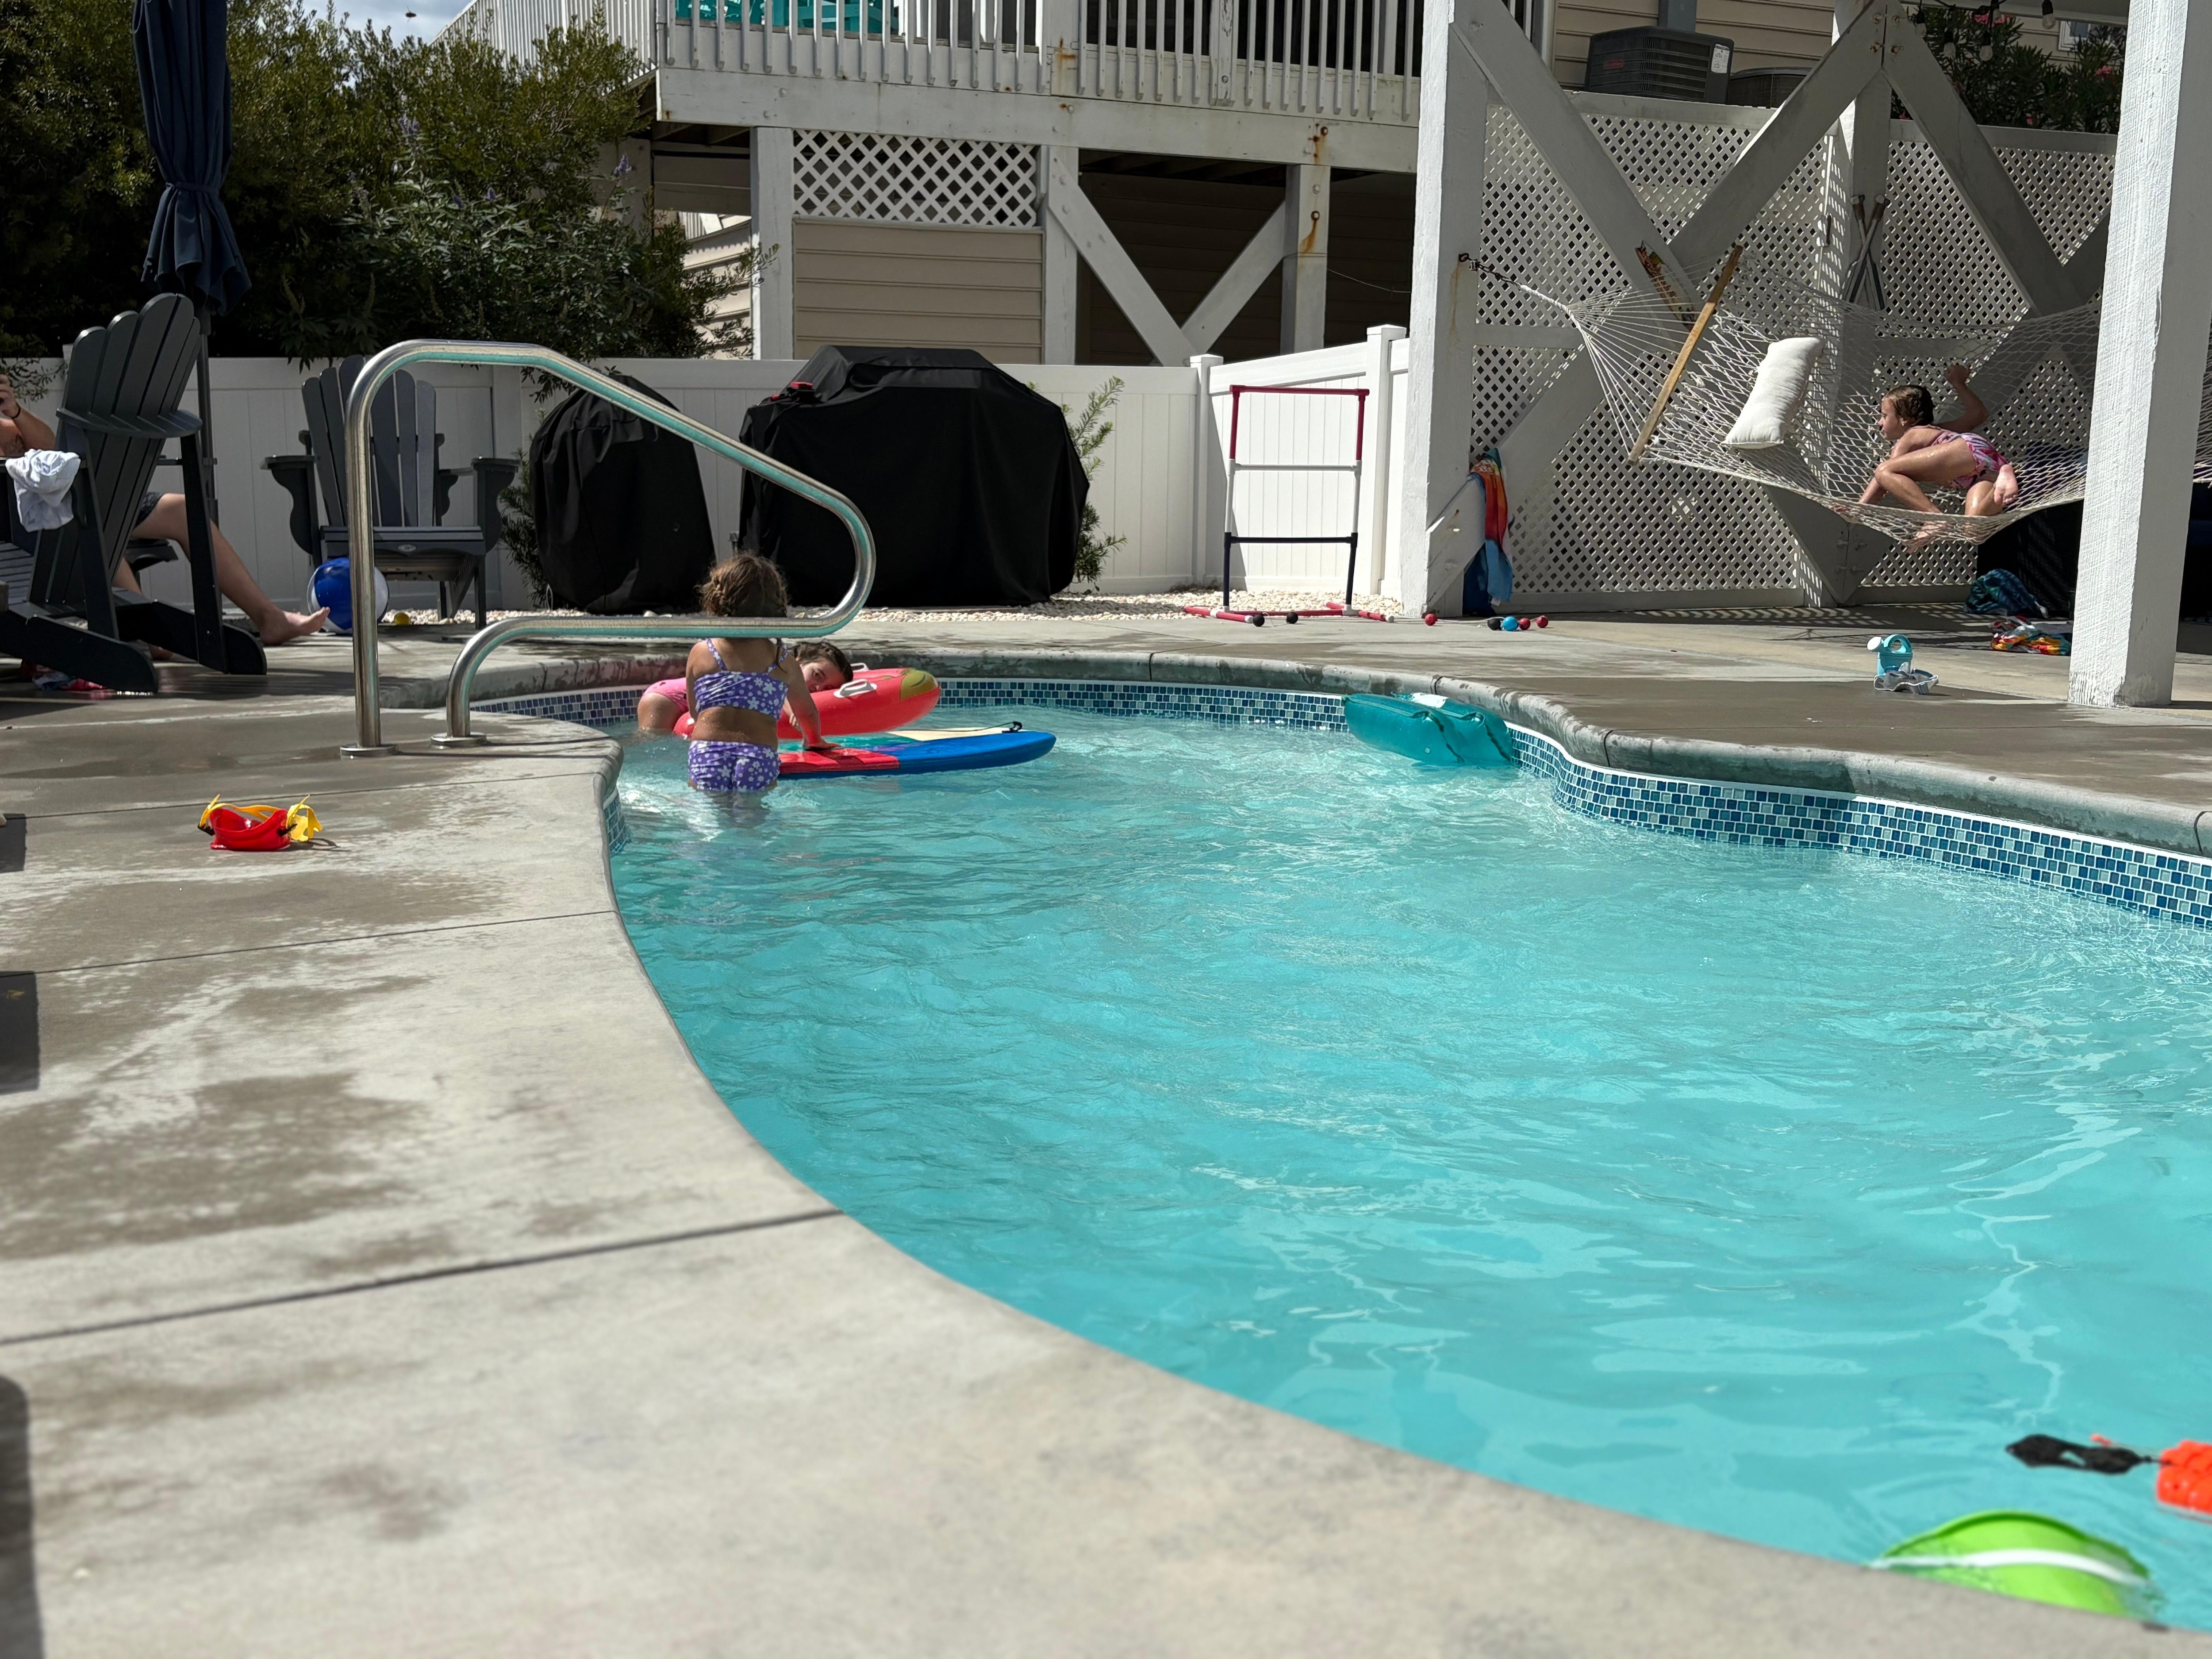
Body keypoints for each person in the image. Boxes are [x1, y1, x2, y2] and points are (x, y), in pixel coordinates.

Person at [0, 373, 328, 645]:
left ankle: (270, 618)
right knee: (97, 522)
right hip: (35, 522)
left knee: (182, 510)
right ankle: (147, 632)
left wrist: (14, 411)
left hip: (73, 504)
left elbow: (49, 446)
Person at [685, 554, 836, 793]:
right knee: (752, 820)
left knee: (708, 820)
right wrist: (814, 740)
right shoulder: (783, 660)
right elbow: (807, 712)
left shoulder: (702, 652)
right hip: (758, 756)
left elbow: (696, 710)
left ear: (717, 599)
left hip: (707, 753)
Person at [1859, 365, 2021, 527]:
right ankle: (2002, 480)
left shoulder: (1912, 435)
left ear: (1904, 419)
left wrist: (1860, 509)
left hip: (1968, 451)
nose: (1880, 423)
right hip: (1982, 471)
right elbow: (1978, 414)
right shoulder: (1942, 431)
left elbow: (1882, 478)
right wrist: (1959, 384)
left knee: (1883, 470)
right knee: (1973, 529)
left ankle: (1935, 519)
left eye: (1884, 416)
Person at [636, 637, 853, 733]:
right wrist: (793, 711)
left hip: (687, 705)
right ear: (799, 663)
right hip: (667, 698)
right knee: (652, 743)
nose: (818, 687)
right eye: (817, 675)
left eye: (828, 689)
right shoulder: (779, 666)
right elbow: (785, 695)